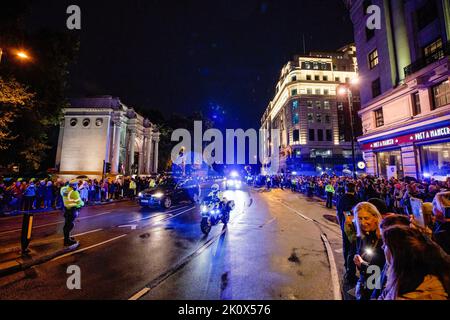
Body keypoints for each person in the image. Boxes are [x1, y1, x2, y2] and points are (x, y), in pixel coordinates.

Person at [380, 226, 449, 300]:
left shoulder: (423, 294)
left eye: (386, 244)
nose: (382, 247)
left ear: (397, 254)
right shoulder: (403, 278)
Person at [352, 202, 385, 300]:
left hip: (376, 287)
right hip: (365, 281)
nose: (362, 223)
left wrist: (362, 265)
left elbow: (380, 269)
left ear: (375, 217)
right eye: (360, 218)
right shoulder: (362, 236)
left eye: (366, 218)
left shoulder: (383, 239)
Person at [336, 182, 360, 284]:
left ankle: (347, 267)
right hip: (354, 228)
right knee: (353, 249)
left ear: (346, 189)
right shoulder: (357, 199)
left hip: (344, 226)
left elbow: (338, 212)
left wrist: (341, 223)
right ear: (354, 189)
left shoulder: (341, 199)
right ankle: (351, 273)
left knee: (346, 248)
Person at [60, 180, 84, 246]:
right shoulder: (74, 192)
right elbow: (80, 202)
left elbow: (66, 189)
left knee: (66, 225)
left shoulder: (63, 190)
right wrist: (83, 203)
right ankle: (67, 241)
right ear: (74, 185)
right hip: (72, 210)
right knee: (70, 225)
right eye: (76, 185)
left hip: (66, 209)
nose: (77, 186)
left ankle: (67, 237)